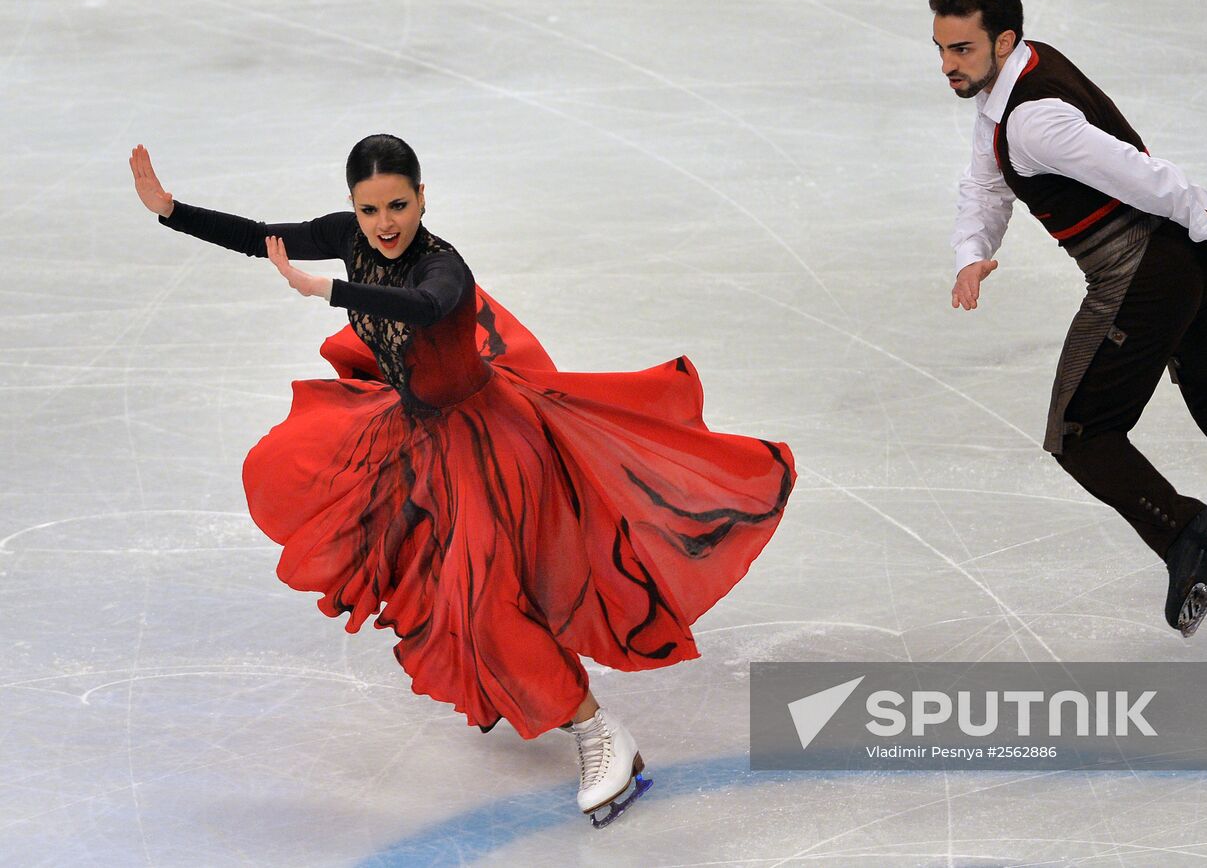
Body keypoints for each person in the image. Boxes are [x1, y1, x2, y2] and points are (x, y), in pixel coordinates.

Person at [128, 136, 795, 824]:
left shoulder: (444, 268)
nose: (385, 223)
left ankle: (601, 734)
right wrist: (170, 209)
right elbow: (261, 237)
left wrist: (327, 289)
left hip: (490, 445)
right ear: (353, 208)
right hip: (415, 435)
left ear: (422, 199)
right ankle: (538, 688)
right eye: (368, 210)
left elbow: (420, 307)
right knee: (346, 507)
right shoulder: (349, 238)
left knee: (485, 600)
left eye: (398, 205)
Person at [928, 0, 1207, 634]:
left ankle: (1186, 533)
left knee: (1080, 433)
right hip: (1189, 259)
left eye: (962, 50)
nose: (947, 65)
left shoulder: (1035, 120)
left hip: (1145, 268)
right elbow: (986, 182)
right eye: (942, 49)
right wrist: (971, 252)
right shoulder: (1022, 73)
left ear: (1002, 41)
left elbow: (1147, 178)